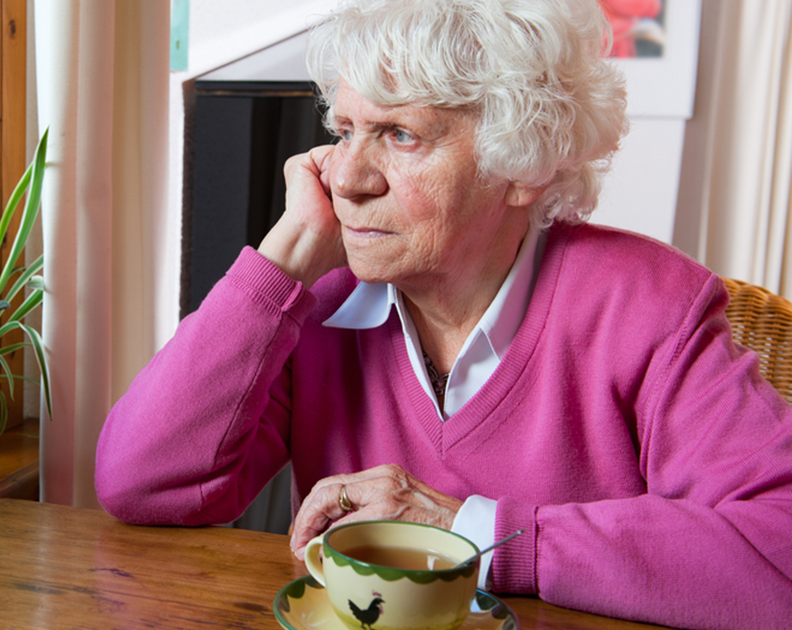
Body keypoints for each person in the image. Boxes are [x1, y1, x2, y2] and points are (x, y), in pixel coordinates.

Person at [94, 0, 792, 627]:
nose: (346, 178)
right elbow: (141, 484)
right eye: (345, 130)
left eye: (401, 134)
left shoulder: (650, 306)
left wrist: (475, 534)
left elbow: (779, 551)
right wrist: (285, 257)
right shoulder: (321, 304)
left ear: (524, 163)